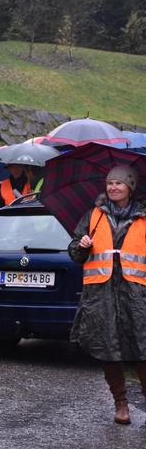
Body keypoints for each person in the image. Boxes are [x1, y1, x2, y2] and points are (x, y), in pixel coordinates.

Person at [68, 165, 146, 425]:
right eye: (110, 183)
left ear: (130, 187)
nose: (113, 187)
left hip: (137, 295)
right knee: (108, 350)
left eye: (119, 183)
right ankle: (121, 403)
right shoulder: (93, 216)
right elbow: (74, 252)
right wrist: (81, 246)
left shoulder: (143, 217)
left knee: (141, 350)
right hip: (100, 294)